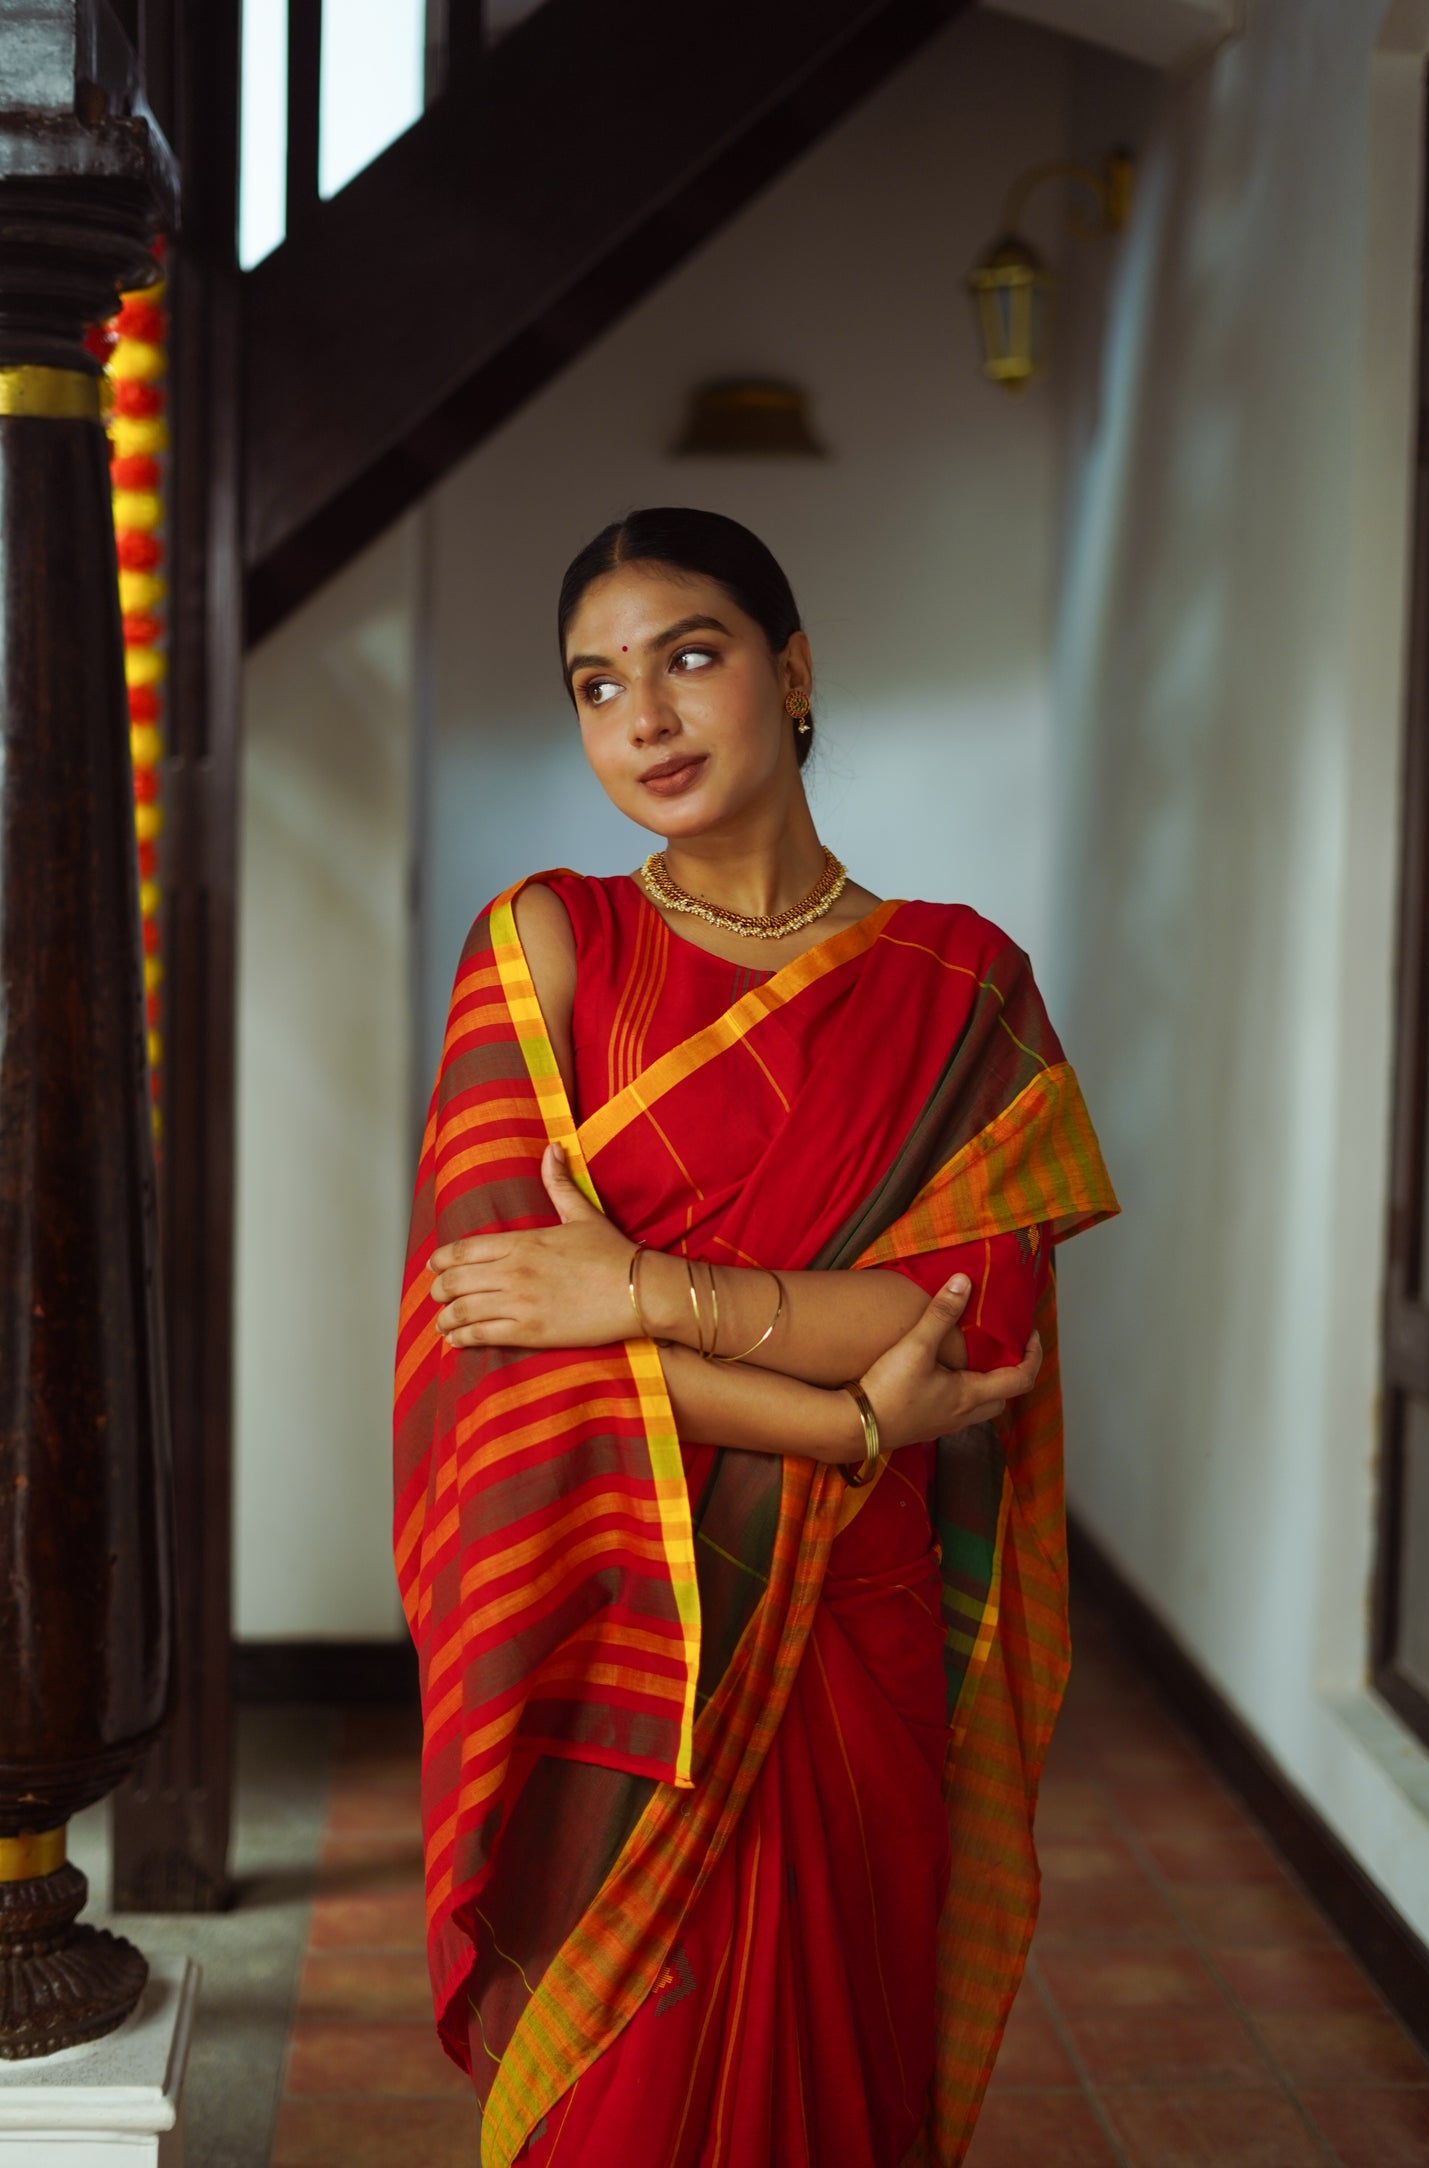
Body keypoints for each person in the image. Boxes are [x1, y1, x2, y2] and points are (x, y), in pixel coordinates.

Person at [393, 507, 1117, 2168]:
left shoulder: (958, 981)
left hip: (849, 1642)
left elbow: (965, 1326)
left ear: (791, 675)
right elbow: (499, 1340)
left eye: (688, 658)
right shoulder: (549, 942)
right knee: (624, 2096)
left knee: (835, 2071)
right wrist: (849, 1423)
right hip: (625, 1637)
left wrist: (640, 1292)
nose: (641, 721)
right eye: (595, 685)